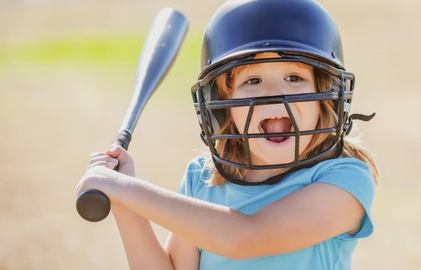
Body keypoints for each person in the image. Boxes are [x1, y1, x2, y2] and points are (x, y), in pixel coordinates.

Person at [75, 0, 380, 269]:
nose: (273, 95)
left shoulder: (344, 179)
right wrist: (124, 202)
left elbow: (245, 237)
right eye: (253, 80)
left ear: (325, 96)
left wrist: (127, 189)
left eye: (294, 77)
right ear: (224, 105)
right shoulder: (203, 178)